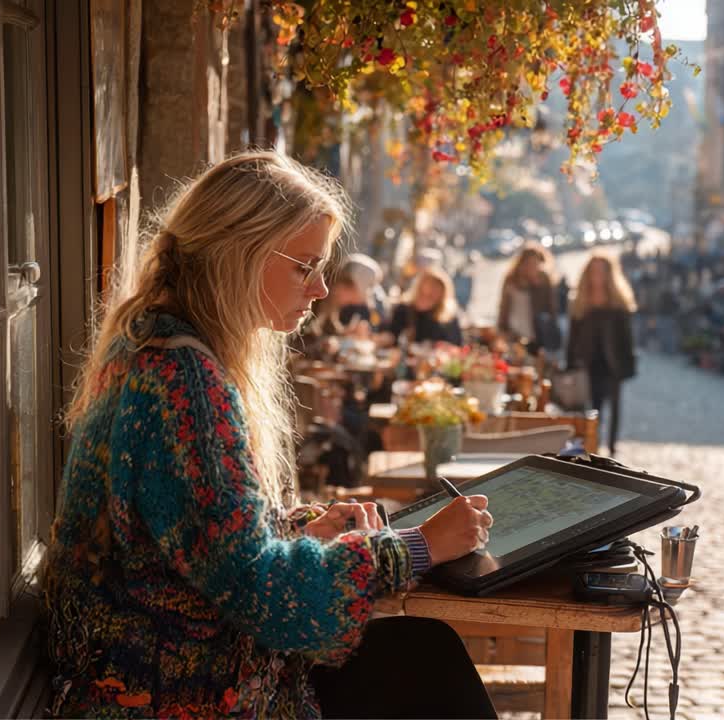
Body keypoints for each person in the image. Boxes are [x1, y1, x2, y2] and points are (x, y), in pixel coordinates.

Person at [43, 150, 496, 719]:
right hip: (176, 695)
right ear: (240, 254)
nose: (321, 289)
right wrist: (416, 548)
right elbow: (261, 592)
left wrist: (295, 528)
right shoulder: (181, 379)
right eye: (305, 266)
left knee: (426, 656)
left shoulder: (157, 344)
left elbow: (202, 541)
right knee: (428, 667)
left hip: (181, 674)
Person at [566, 253, 637, 454]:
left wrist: (627, 365)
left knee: (613, 407)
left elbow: (626, 338)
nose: (597, 275)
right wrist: (570, 363)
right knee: (590, 409)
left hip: (612, 362)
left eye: (601, 271)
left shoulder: (618, 302)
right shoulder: (580, 301)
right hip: (586, 363)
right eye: (594, 271)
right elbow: (572, 337)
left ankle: (612, 447)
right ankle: (592, 447)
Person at [498, 242, 560, 352]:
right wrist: (502, 331)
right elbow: (503, 309)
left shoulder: (544, 280)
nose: (531, 268)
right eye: (528, 264)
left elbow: (552, 310)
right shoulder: (511, 280)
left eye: (534, 264)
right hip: (514, 334)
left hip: (537, 335)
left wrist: (536, 286)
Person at [383, 266, 464, 345]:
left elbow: (456, 344)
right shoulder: (403, 309)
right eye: (423, 294)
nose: (426, 299)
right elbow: (392, 336)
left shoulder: (448, 318)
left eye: (431, 297)